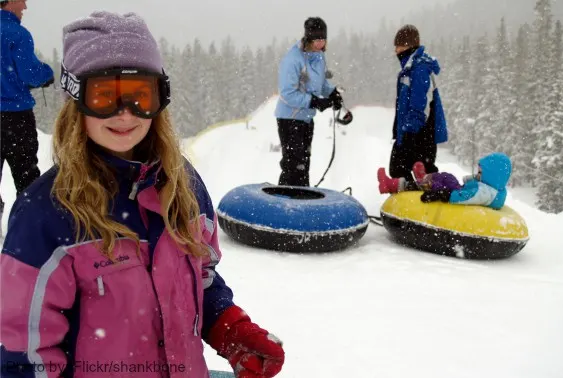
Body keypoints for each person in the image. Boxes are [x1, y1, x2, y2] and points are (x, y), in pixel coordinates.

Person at [0, 11, 284, 378]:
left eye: (139, 95)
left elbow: (200, 278)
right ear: (76, 100)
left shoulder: (184, 186)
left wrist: (231, 330)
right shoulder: (46, 214)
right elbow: (24, 352)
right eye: (104, 95)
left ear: (159, 98)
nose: (124, 113)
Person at [0, 0, 54, 237]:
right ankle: (28, 237)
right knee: (27, 179)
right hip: (15, 119)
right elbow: (30, 73)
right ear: (8, 2)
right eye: (21, 0)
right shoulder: (17, 34)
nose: (25, 6)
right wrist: (48, 74)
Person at [274, 16, 344, 186]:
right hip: (289, 119)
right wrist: (313, 102)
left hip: (306, 119)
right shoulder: (293, 60)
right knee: (293, 165)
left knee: (304, 164)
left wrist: (332, 92)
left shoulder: (319, 57)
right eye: (317, 40)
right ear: (308, 39)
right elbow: (286, 94)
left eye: (323, 39)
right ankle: (286, 201)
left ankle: (301, 198)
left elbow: (320, 82)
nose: (321, 44)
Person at [389, 24, 448, 183]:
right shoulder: (409, 69)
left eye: (399, 46)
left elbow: (420, 103)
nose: (396, 51)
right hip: (409, 130)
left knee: (416, 171)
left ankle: (425, 199)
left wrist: (410, 131)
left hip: (420, 133)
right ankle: (407, 201)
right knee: (400, 169)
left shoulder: (420, 69)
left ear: (408, 46)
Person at [377, 152, 512, 210]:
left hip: (456, 196)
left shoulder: (486, 192)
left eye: (481, 172)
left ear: (492, 175)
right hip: (460, 190)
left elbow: (467, 197)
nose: (478, 174)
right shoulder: (493, 187)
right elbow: (472, 188)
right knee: (448, 176)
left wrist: (444, 194)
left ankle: (391, 185)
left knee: (433, 186)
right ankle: (423, 177)